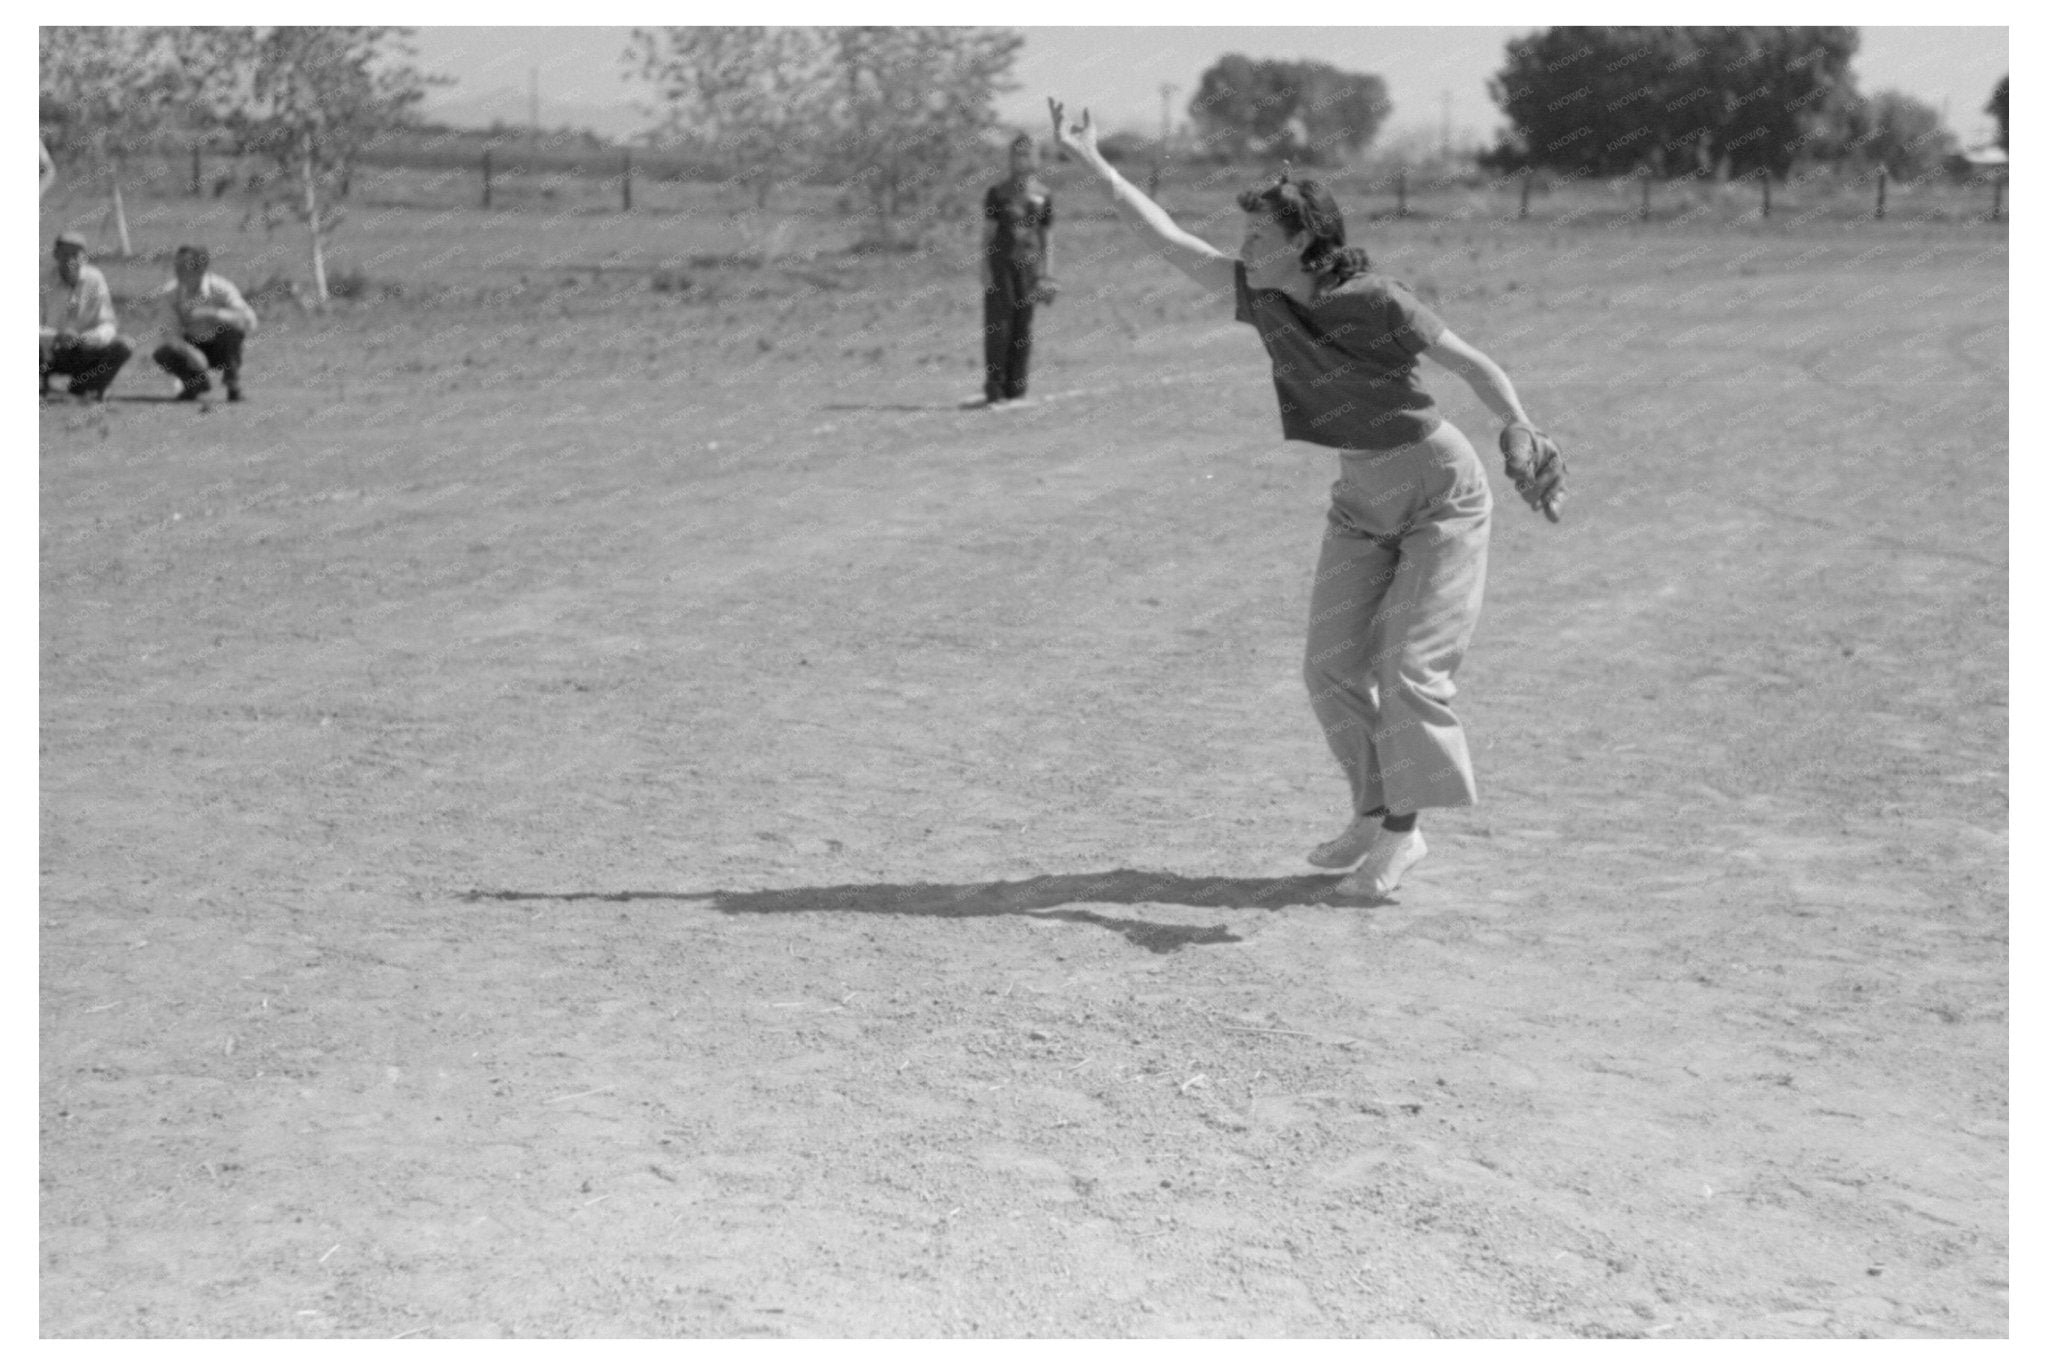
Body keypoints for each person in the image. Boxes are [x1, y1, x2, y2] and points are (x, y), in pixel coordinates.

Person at [1048, 98, 1563, 901]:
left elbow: (1474, 365)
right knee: (1327, 667)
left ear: (1303, 243)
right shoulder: (1263, 297)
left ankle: (1403, 835)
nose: (1244, 247)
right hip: (1360, 500)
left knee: (1409, 670)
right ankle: (1373, 808)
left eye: (1260, 236)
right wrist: (1095, 164)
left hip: (1439, 495)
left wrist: (1521, 429)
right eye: (1246, 235)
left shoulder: (1379, 301)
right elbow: (1169, 242)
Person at [979, 132, 1056, 407]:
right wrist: (984, 268)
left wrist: (1047, 273)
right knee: (999, 327)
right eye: (1018, 154)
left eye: (1029, 153)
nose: (1023, 159)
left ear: (1037, 158)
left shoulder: (1044, 195)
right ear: (1011, 158)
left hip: (1030, 269)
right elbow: (987, 235)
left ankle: (1017, 389)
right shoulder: (997, 193)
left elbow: (1047, 238)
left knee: (1024, 327)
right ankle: (995, 390)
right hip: (1001, 267)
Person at [153, 244, 258, 402]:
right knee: (163, 353)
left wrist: (213, 313)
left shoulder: (221, 288)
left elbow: (249, 321)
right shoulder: (170, 294)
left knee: (232, 331)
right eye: (176, 264)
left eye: (183, 266)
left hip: (219, 346)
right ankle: (194, 384)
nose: (177, 269)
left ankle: (233, 384)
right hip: (192, 345)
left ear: (200, 269)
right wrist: (189, 351)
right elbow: (169, 332)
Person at [40, 230, 133, 402]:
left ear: (84, 257)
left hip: (84, 348)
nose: (70, 259)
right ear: (55, 255)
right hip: (49, 350)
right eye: (65, 253)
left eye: (75, 254)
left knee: (124, 345)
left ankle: (85, 388)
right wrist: (56, 336)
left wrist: (90, 338)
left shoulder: (95, 279)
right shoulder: (41, 280)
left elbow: (108, 323)